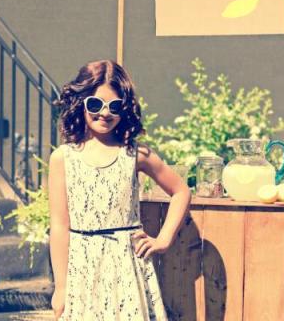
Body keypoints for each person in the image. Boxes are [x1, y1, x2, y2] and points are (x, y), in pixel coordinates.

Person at [48, 60, 190, 320]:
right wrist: (61, 287)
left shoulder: (136, 154)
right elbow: (58, 226)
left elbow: (181, 191)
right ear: (80, 103)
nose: (105, 113)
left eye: (114, 106)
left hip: (127, 267)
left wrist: (164, 239)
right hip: (83, 269)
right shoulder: (62, 158)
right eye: (95, 104)